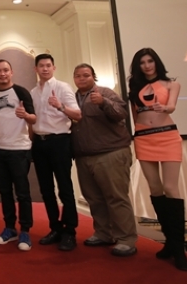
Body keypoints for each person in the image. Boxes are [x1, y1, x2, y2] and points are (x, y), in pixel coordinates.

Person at [128, 48, 187, 271]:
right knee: (155, 188)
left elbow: (171, 106)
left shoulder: (172, 84)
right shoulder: (135, 88)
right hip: (144, 138)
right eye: (142, 62)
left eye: (150, 61)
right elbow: (135, 117)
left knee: (171, 188)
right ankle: (170, 241)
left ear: (156, 62)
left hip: (167, 136)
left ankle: (178, 248)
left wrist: (164, 107)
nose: (147, 65)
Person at [71, 63, 137, 257]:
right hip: (84, 156)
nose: (82, 78)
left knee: (116, 197)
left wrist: (103, 102)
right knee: (94, 199)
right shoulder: (72, 98)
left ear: (94, 76)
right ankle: (104, 233)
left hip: (111, 153)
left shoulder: (105, 93)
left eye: (86, 75)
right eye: (78, 75)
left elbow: (121, 113)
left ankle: (126, 239)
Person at [30, 53, 82, 251]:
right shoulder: (33, 92)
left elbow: (78, 114)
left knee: (64, 188)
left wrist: (60, 106)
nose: (45, 69)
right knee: (46, 189)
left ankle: (70, 231)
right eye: (41, 66)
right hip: (39, 143)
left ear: (54, 67)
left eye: (48, 65)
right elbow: (33, 120)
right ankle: (55, 228)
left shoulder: (63, 87)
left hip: (60, 141)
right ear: (36, 69)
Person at [0, 59, 36, 251]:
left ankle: (25, 231)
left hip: (19, 150)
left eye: (5, 70)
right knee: (5, 192)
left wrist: (25, 115)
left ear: (11, 72)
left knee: (22, 193)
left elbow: (34, 118)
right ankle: (10, 228)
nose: (2, 74)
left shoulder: (21, 92)